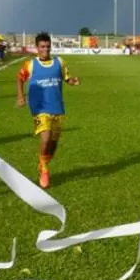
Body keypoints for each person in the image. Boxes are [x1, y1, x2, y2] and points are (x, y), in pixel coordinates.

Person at [16, 32, 81, 189]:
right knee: (45, 138)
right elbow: (19, 78)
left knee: (53, 143)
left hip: (57, 107)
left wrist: (73, 81)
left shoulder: (59, 62)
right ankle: (44, 169)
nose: (45, 49)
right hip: (39, 108)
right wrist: (21, 96)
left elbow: (67, 78)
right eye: (42, 47)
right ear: (37, 48)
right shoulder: (30, 65)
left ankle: (43, 161)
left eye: (47, 46)